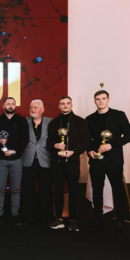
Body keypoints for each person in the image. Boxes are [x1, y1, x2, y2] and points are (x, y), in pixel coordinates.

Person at [86, 90, 130, 234]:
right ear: (94, 101)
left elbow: (129, 135)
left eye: (103, 98)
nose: (100, 101)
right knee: (97, 191)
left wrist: (111, 145)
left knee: (118, 190)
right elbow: (87, 139)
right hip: (96, 159)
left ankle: (120, 221)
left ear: (108, 100)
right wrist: (90, 151)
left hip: (114, 159)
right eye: (98, 99)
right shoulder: (89, 119)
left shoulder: (119, 115)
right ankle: (98, 221)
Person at [46, 96, 89, 231]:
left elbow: (86, 141)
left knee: (74, 191)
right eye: (62, 103)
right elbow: (48, 142)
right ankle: (58, 218)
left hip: (73, 162)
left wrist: (74, 152)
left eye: (67, 103)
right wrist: (55, 145)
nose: (65, 105)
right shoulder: (53, 123)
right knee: (58, 191)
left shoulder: (80, 122)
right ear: (59, 106)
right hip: (57, 163)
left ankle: (73, 220)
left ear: (71, 105)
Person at [0, 97, 29, 225]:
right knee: (0, 188)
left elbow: (25, 140)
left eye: (13, 104)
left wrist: (14, 151)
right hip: (0, 159)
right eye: (8, 104)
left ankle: (15, 214)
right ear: (4, 106)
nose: (10, 106)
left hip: (16, 159)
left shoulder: (22, 121)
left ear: (15, 106)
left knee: (15, 189)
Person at [20, 100, 53, 226]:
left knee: (46, 191)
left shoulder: (51, 122)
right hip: (28, 161)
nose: (33, 109)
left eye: (35, 107)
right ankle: (28, 217)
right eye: (31, 107)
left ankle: (45, 218)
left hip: (45, 161)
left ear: (42, 110)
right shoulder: (24, 121)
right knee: (28, 191)